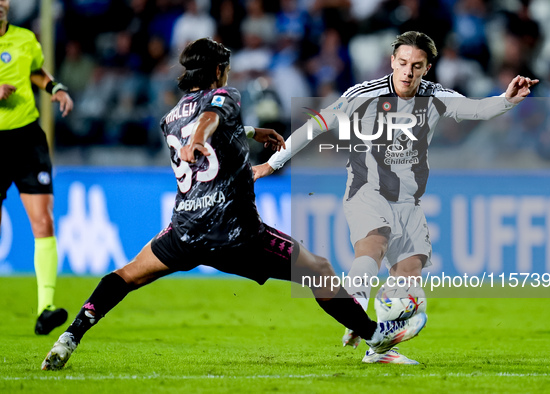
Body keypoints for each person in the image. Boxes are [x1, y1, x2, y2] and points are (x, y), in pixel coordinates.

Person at [41, 38, 427, 371]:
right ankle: (376, 338)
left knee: (126, 276)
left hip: (185, 230)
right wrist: (201, 139)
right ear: (219, 70)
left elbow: (205, 126)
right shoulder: (226, 96)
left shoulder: (169, 119)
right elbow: (209, 119)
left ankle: (69, 338)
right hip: (235, 231)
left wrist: (249, 131)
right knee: (319, 269)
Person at [252, 31, 539, 363]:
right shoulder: (363, 94)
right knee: (374, 242)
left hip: (408, 201)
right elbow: (316, 125)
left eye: (416, 66)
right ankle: (354, 310)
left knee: (409, 278)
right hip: (366, 189)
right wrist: (273, 164)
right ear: (392, 62)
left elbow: (475, 109)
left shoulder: (435, 96)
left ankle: (377, 349)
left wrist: (506, 99)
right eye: (402, 63)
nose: (408, 72)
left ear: (427, 68)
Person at [0, 0, 73, 335]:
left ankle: (46, 308)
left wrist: (55, 89)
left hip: (27, 139)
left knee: (44, 220)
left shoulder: (25, 38)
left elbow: (35, 70)